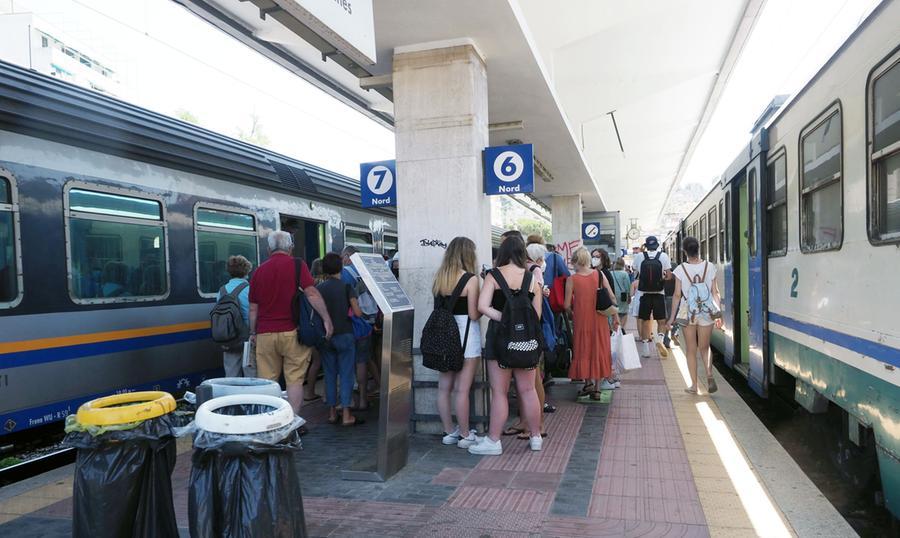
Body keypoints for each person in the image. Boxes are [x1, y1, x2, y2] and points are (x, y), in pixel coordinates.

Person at [471, 236, 544, 455]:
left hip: (500, 340)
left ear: (502, 252)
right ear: (522, 252)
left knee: (500, 392)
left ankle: (494, 441)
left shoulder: (493, 275)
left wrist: (504, 318)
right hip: (526, 342)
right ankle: (536, 437)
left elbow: (482, 306)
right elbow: (537, 315)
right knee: (528, 389)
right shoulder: (531, 279)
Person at [249, 231, 333, 415]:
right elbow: (311, 294)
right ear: (290, 247)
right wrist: (326, 319)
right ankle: (292, 421)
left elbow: (253, 309)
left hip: (265, 335)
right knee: (294, 379)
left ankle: (270, 421)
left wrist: (253, 333)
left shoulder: (258, 271)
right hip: (293, 333)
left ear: (269, 248)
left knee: (268, 383)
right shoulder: (297, 265)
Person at [432, 237, 482, 448]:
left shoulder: (439, 277)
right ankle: (465, 434)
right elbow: (473, 314)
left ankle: (448, 431)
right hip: (466, 338)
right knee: (462, 389)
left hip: (442, 337)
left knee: (444, 388)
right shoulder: (470, 279)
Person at [664, 237, 722, 394]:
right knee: (704, 347)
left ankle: (694, 386)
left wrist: (671, 318)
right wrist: (718, 314)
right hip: (707, 312)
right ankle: (709, 374)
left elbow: (677, 295)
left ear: (684, 251)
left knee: (691, 349)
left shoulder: (680, 269)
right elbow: (715, 292)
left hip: (688, 312)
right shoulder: (710, 267)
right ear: (699, 249)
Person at [317, 253, 365, 425]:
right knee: (346, 374)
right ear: (341, 267)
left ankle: (331, 413)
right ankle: (346, 415)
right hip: (345, 334)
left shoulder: (319, 289)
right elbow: (357, 312)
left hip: (326, 336)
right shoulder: (346, 286)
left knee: (329, 374)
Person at [565, 247, 618, 396]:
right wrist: (615, 317)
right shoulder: (599, 274)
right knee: (599, 350)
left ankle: (587, 383)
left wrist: (571, 313)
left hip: (582, 321)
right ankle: (597, 388)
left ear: (575, 261)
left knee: (584, 350)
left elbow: (566, 305)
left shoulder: (572, 279)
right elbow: (612, 298)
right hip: (600, 320)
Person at [340, 246, 379, 411]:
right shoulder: (366, 272)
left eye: (343, 256)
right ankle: (364, 399)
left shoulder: (345, 273)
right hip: (367, 322)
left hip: (351, 322)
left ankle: (349, 402)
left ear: (348, 256)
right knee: (364, 360)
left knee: (349, 362)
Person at [633, 236, 671, 358]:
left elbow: (635, 271)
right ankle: (659, 339)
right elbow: (669, 276)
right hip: (659, 293)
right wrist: (662, 278)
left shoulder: (639, 256)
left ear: (646, 245)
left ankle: (645, 350)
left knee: (645, 321)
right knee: (661, 321)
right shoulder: (663, 256)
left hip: (644, 293)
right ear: (657, 245)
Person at [218, 255, 255, 377]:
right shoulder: (249, 289)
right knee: (251, 375)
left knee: (231, 375)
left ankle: (233, 395)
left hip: (229, 338)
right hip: (247, 339)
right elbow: (253, 312)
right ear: (247, 271)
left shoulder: (222, 290)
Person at [304, 257, 324, 402]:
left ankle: (309, 392)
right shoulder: (323, 284)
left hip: (308, 327)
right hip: (320, 327)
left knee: (314, 362)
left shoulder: (307, 284)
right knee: (321, 361)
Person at [611, 258, 632, 329]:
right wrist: (629, 296)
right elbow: (627, 286)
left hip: (612, 295)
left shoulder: (611, 273)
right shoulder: (624, 274)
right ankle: (621, 329)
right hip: (622, 296)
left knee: (614, 312)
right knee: (624, 313)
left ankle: (615, 329)